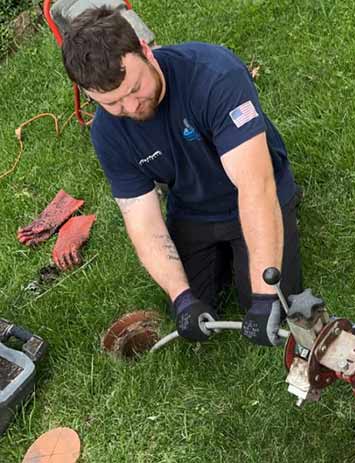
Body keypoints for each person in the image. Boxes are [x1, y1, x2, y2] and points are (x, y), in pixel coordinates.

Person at [61, 6, 302, 346]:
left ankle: (285, 213)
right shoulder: (106, 133)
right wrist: (181, 297)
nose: (129, 109)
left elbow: (255, 188)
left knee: (271, 303)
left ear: (146, 51)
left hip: (254, 192)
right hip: (192, 211)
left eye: (134, 90)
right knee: (193, 310)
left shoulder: (214, 76)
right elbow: (142, 220)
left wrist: (264, 297)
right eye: (112, 103)